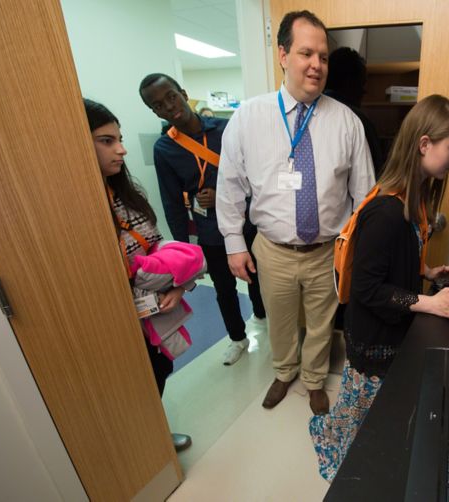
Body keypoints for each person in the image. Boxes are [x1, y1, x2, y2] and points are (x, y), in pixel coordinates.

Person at [216, 10, 375, 415]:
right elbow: (230, 185)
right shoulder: (248, 118)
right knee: (280, 320)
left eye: (323, 56)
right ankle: (284, 372)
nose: (317, 65)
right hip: (272, 247)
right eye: (307, 53)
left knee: (322, 323)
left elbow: (364, 196)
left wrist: (357, 249)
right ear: (283, 55)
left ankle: (314, 380)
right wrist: (234, 243)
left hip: (326, 251)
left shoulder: (347, 123)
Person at [308, 94, 449, 481]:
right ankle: (344, 467)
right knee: (358, 417)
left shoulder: (409, 197)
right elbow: (367, 288)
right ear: (425, 144)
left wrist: (427, 272)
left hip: (388, 323)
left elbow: (395, 257)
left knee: (373, 411)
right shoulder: (386, 213)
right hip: (373, 334)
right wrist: (428, 303)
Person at [83, 98, 194, 452]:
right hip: (109, 317)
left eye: (119, 138)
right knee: (122, 387)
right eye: (107, 141)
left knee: (158, 372)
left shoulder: (128, 194)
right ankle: (137, 450)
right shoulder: (75, 205)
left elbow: (161, 248)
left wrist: (179, 287)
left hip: (153, 309)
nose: (122, 149)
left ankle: (154, 437)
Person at [138, 73, 266, 366]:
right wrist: (183, 253)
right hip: (210, 230)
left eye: (171, 96)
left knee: (258, 277)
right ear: (155, 112)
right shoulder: (165, 149)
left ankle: (262, 316)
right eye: (159, 105)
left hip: (247, 223)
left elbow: (256, 176)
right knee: (224, 289)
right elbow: (172, 203)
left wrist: (221, 191)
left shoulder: (227, 128)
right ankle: (237, 338)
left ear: (183, 92)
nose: (169, 106)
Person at [324, 46, 385, 178]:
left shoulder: (303, 115)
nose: (364, 92)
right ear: (350, 82)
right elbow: (376, 175)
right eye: (361, 84)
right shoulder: (359, 121)